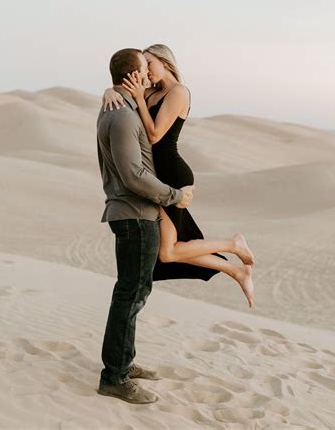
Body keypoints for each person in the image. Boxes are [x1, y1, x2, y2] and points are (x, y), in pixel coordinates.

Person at [103, 44, 255, 308]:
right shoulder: (150, 91)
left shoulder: (178, 93)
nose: (146, 70)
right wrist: (108, 91)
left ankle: (233, 244)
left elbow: (154, 135)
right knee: (168, 252)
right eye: (144, 65)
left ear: (164, 61)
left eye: (149, 63)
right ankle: (236, 269)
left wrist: (139, 98)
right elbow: (122, 90)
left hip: (172, 174)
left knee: (168, 251)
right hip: (156, 176)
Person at [96, 47, 194, 405]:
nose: (150, 75)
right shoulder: (122, 115)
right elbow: (134, 175)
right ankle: (115, 377)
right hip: (135, 214)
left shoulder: (117, 106)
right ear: (134, 76)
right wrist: (173, 196)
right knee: (130, 294)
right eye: (145, 69)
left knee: (134, 293)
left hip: (137, 213)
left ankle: (124, 362)